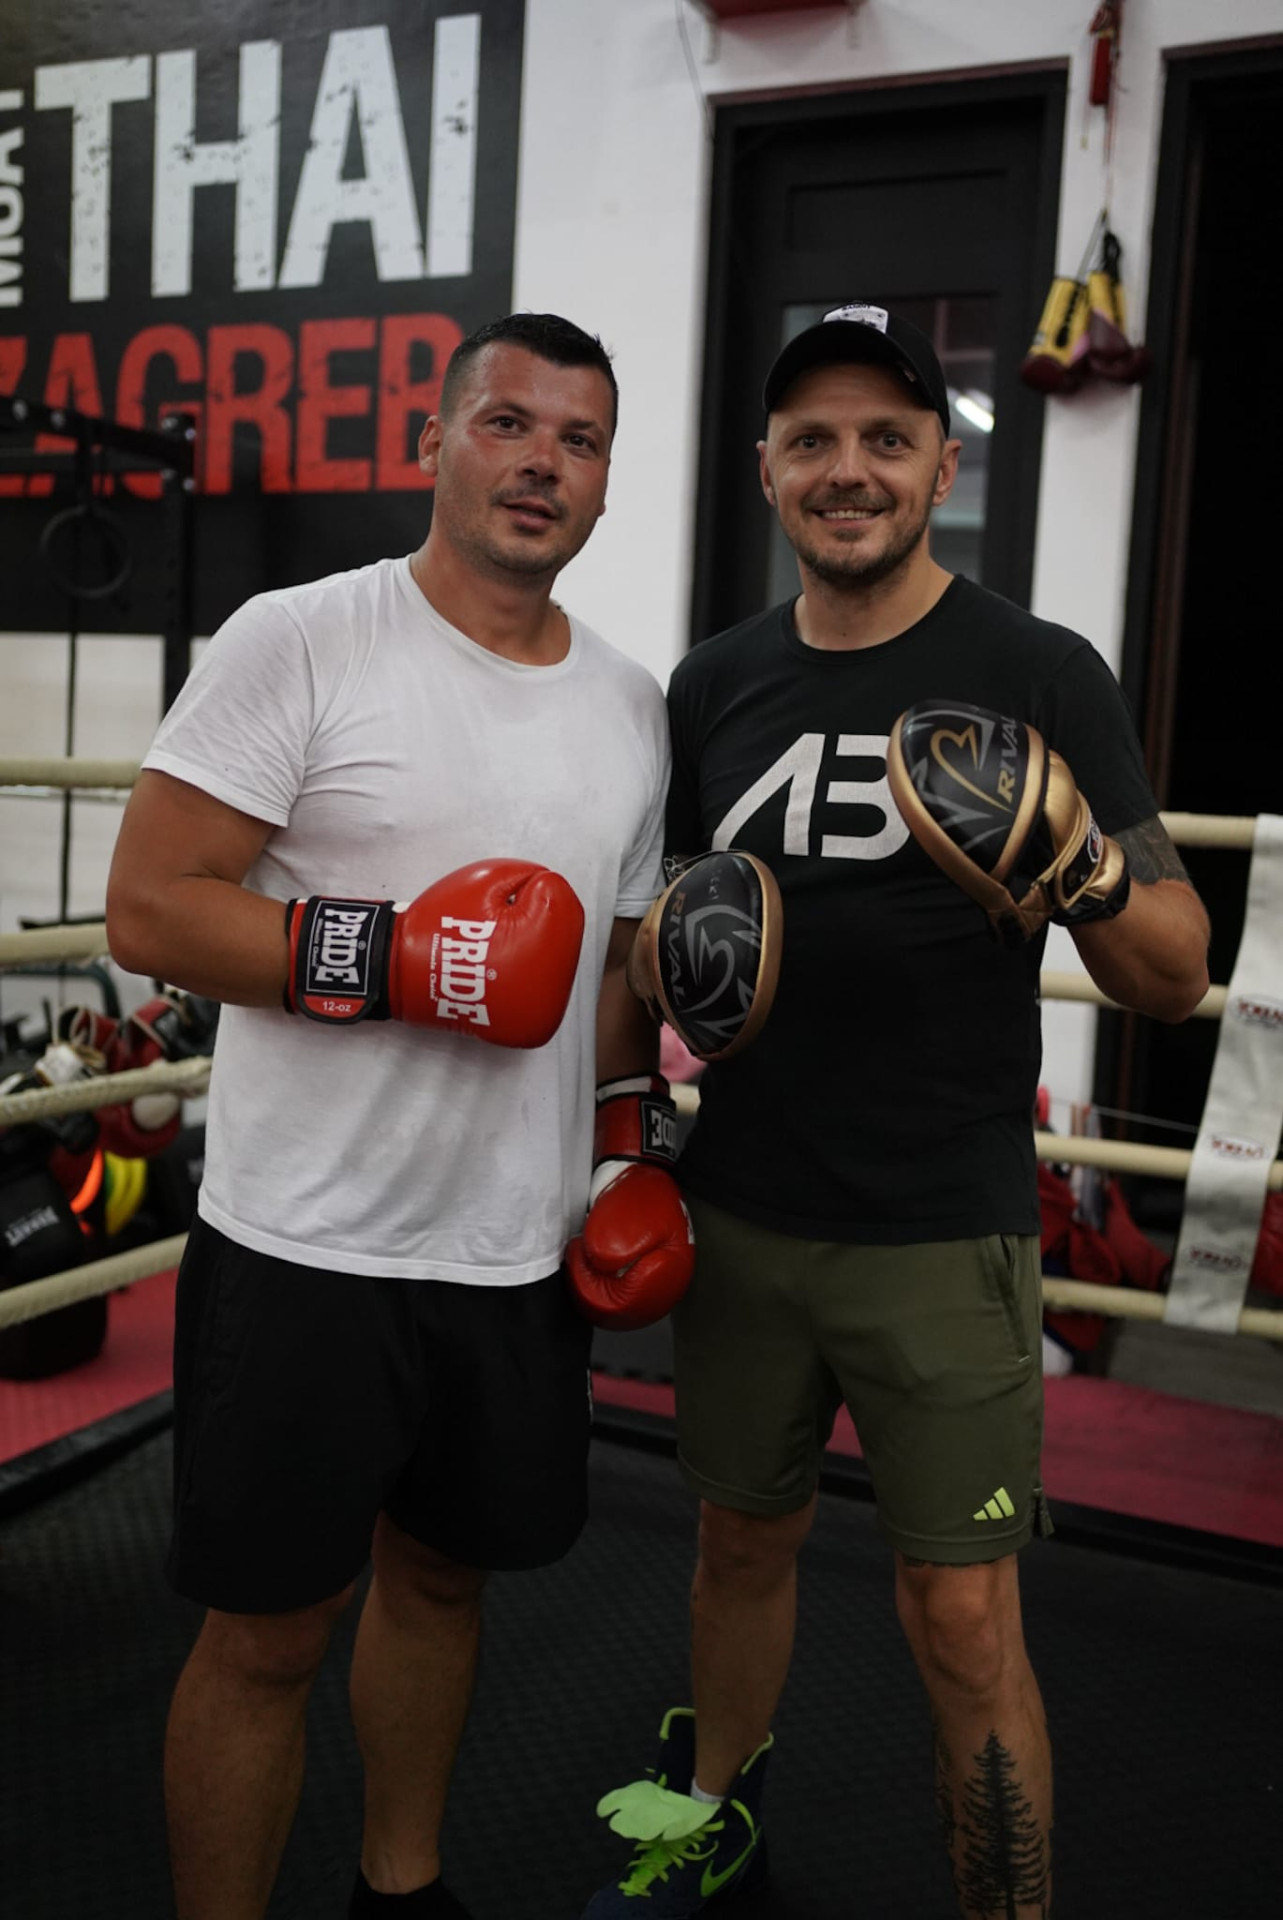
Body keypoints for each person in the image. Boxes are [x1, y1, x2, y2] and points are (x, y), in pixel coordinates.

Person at [582, 303, 1210, 1918]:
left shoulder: (1037, 670)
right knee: (735, 1547)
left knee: (964, 1616)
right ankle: (711, 1820)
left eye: (886, 438)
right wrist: (632, 1101)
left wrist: (1077, 869)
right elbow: (652, 943)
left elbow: (1175, 972)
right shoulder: (713, 684)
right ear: (768, 471)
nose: (847, 470)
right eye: (813, 441)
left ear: (941, 466)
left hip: (942, 1228)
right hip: (743, 1210)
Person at [105, 311, 695, 1920]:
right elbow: (152, 907)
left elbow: (617, 967)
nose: (541, 463)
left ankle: (402, 1890)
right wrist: (395, 958)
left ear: (605, 484)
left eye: (578, 440)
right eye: (509, 422)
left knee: (441, 1585)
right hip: (306, 1244)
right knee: (266, 1635)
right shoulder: (300, 640)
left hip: (509, 1250)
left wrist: (626, 1148)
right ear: (434, 440)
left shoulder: (632, 705)